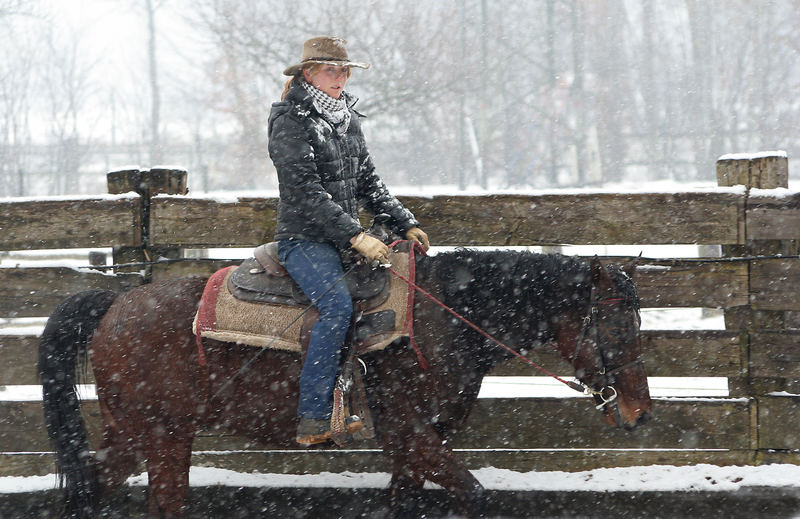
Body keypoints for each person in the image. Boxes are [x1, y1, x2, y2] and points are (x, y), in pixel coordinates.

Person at [268, 36, 430, 446]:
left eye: (344, 71)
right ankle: (314, 416)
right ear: (308, 73)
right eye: (331, 70)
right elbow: (304, 191)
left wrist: (404, 222)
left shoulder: (345, 119)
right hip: (303, 239)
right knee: (337, 308)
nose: (340, 78)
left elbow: (368, 182)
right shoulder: (291, 120)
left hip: (341, 239)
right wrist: (356, 235)